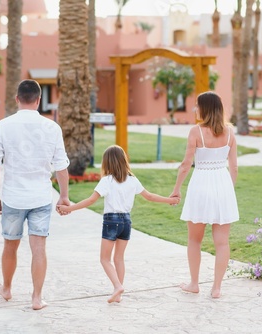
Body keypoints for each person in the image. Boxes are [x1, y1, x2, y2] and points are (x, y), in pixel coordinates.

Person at [0, 79, 71, 310]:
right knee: (39, 248)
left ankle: (6, 288)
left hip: (13, 197)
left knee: (10, 246)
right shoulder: (52, 127)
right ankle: (36, 298)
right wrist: (64, 196)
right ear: (39, 100)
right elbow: (61, 167)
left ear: (16, 99)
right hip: (41, 198)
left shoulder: (3, 125)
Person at [57, 145, 179, 303]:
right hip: (126, 221)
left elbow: (91, 200)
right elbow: (149, 196)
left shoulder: (107, 181)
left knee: (104, 259)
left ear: (107, 163)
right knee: (119, 258)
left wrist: (70, 208)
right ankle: (118, 293)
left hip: (111, 220)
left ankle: (117, 287)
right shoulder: (132, 180)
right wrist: (170, 200)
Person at [170, 91, 239, 299]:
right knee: (222, 241)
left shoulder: (196, 132)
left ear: (205, 108)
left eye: (197, 106)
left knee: (194, 239)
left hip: (201, 183)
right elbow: (234, 167)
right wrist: (229, 189)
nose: (195, 109)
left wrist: (176, 189)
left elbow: (185, 165)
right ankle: (217, 288)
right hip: (222, 184)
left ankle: (194, 283)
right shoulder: (230, 133)